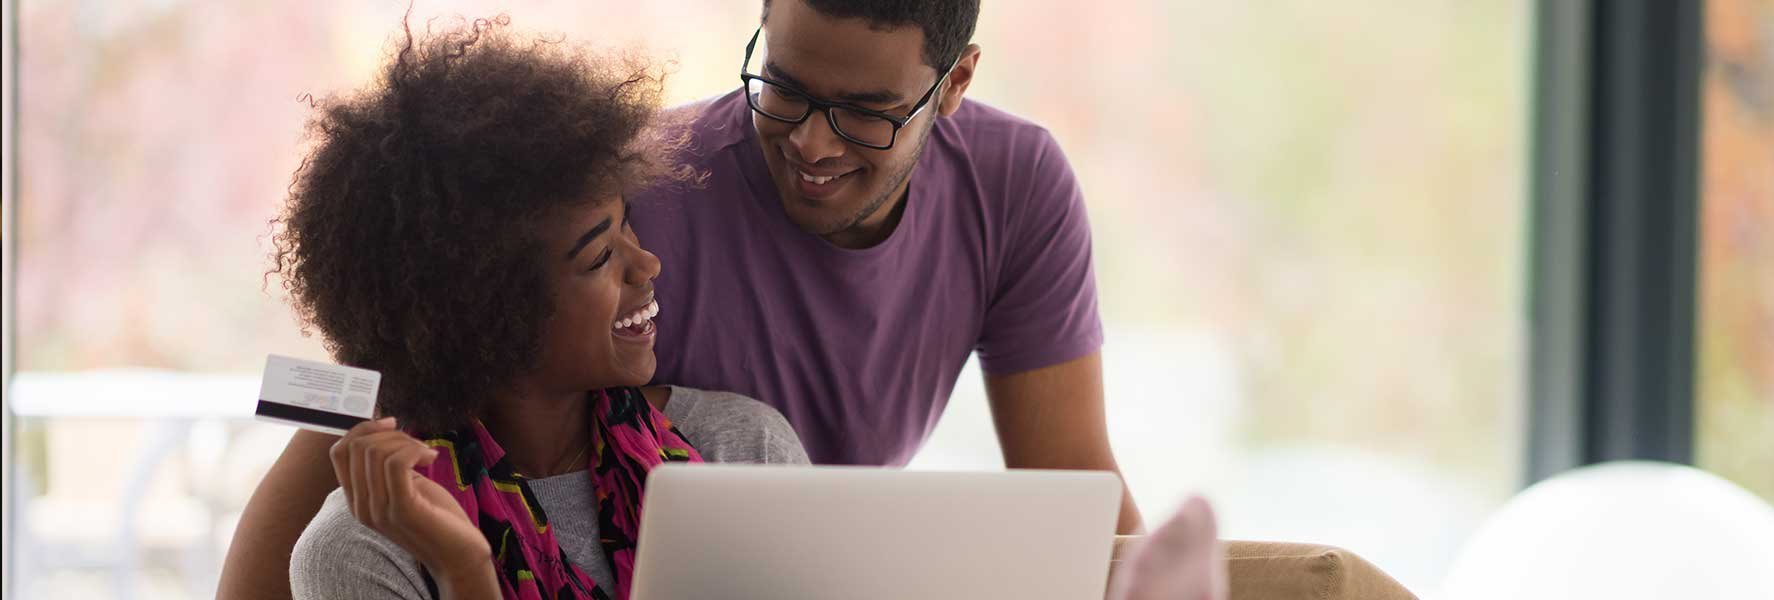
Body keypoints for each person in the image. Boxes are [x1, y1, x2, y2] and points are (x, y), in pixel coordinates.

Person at [221, 0, 1155, 595]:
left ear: (953, 84)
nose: (814, 144)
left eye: (866, 111)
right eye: (783, 89)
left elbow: (1075, 475)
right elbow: (396, 360)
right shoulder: (638, 184)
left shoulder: (1015, 185)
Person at [268, 18, 808, 599]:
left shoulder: (743, 451)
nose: (646, 264)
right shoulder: (361, 550)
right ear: (490, 309)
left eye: (628, 224)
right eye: (600, 256)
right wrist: (465, 570)